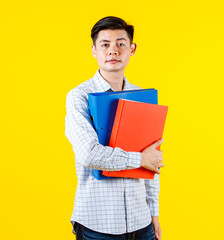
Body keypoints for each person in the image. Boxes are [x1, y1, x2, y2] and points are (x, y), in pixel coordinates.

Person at [65, 16, 164, 240]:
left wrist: (154, 213)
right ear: (94, 50)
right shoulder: (78, 97)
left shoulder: (143, 97)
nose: (113, 51)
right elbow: (88, 153)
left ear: (132, 49)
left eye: (121, 44)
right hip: (98, 226)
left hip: (142, 223)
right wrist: (139, 159)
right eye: (105, 44)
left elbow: (153, 158)